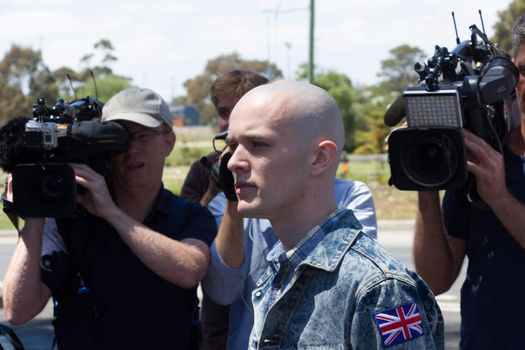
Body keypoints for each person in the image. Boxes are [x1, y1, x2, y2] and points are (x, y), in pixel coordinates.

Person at [217, 79, 444, 349]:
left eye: (258, 144)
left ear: (320, 158)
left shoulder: (379, 289)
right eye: (232, 146)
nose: (233, 162)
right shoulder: (282, 269)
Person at [2, 87, 217, 349]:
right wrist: (34, 217)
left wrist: (111, 214)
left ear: (168, 142)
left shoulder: (190, 215)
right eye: (121, 140)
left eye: (143, 137)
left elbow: (190, 270)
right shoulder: (70, 219)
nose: (132, 150)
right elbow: (18, 311)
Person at [413, 17, 525, 350]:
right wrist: (426, 179)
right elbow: (434, 280)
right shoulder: (486, 153)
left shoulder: (490, 172)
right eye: (523, 70)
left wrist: (501, 199)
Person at [180, 70, 269, 350]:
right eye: (223, 111)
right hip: (220, 318)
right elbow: (190, 229)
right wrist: (216, 188)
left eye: (241, 108)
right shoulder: (203, 168)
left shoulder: (276, 164)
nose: (230, 119)